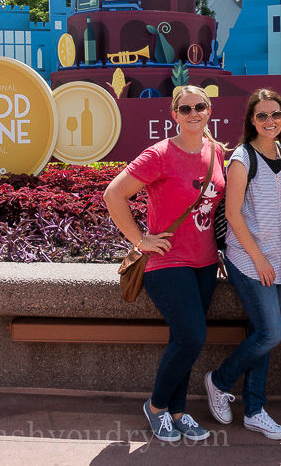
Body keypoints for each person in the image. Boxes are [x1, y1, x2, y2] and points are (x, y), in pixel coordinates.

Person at [103, 85, 225, 443]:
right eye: (185, 109)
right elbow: (114, 194)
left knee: (183, 340)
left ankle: (179, 411)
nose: (193, 114)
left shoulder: (216, 151)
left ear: (209, 110)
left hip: (205, 263)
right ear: (174, 114)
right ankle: (156, 407)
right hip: (167, 262)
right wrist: (140, 240)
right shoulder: (159, 154)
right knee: (192, 337)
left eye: (199, 107)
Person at [204, 89, 281, 440]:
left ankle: (255, 410)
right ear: (251, 120)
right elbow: (232, 213)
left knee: (264, 336)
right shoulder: (242, 158)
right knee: (271, 333)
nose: (270, 121)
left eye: (276, 114)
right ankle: (220, 380)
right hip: (250, 260)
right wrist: (259, 260)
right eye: (262, 116)